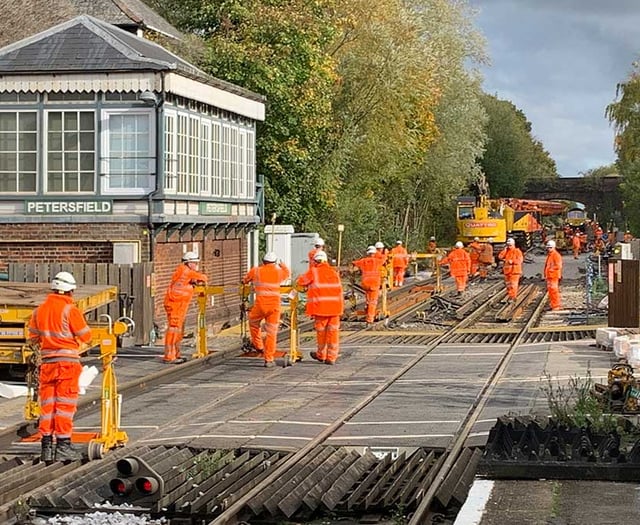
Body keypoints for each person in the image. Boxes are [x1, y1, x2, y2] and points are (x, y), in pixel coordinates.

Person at [28, 271, 92, 462]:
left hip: (47, 365)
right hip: (67, 364)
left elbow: (33, 338)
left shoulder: (39, 311)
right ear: (69, 291)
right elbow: (86, 336)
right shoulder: (70, 310)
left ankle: (46, 447)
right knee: (64, 407)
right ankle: (63, 446)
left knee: (48, 406)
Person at [242, 252, 290, 367]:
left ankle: (258, 346)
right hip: (274, 307)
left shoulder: (256, 270)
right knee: (271, 333)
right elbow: (287, 273)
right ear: (275, 262)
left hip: (260, 306)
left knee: (253, 323)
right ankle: (269, 359)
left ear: (263, 261)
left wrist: (245, 282)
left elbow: (245, 280)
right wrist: (282, 264)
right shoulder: (279, 272)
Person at [296, 250, 344, 365]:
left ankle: (321, 354)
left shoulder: (314, 272)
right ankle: (331, 357)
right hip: (335, 309)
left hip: (321, 309)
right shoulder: (334, 273)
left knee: (321, 333)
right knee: (333, 334)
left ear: (315, 261)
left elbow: (301, 282)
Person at [163, 251, 208, 364]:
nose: (196, 265)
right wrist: (197, 281)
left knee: (178, 330)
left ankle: (175, 354)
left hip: (179, 304)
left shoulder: (183, 271)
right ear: (189, 263)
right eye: (195, 263)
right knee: (174, 329)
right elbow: (203, 277)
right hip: (176, 304)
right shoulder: (186, 271)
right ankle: (169, 356)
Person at [352, 245, 385, 324]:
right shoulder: (378, 261)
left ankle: (367, 309)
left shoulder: (363, 261)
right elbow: (384, 259)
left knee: (368, 300)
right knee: (373, 302)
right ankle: (370, 319)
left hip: (365, 284)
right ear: (374, 253)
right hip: (374, 284)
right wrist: (384, 252)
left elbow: (354, 263)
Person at [544, 239, 563, 310]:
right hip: (550, 276)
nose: (549, 249)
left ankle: (556, 306)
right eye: (548, 248)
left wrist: (551, 270)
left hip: (554, 276)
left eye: (550, 247)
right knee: (551, 291)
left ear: (554, 247)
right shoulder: (550, 255)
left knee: (554, 291)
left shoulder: (556, 255)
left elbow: (558, 266)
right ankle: (553, 305)